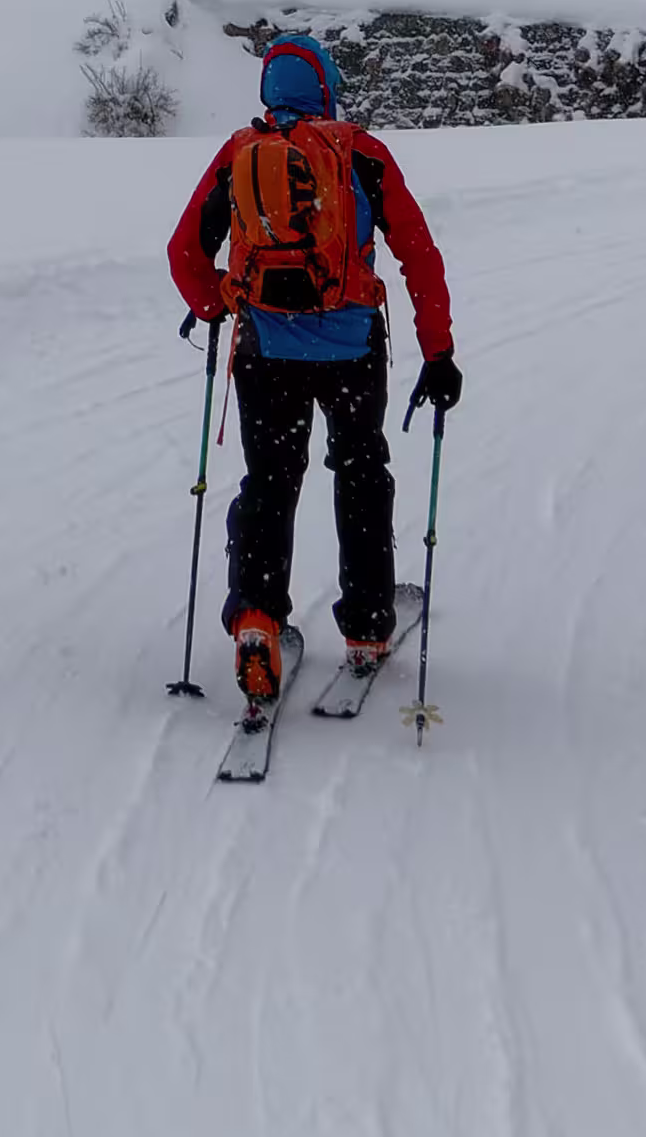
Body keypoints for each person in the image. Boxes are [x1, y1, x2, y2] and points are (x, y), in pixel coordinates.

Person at [163, 38, 458, 711]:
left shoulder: (240, 151)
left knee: (269, 480)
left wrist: (216, 304)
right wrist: (437, 353)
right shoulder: (362, 151)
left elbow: (185, 251)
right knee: (360, 473)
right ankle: (367, 627)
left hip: (265, 350)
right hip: (352, 350)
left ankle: (258, 622)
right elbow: (419, 255)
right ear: (325, 86)